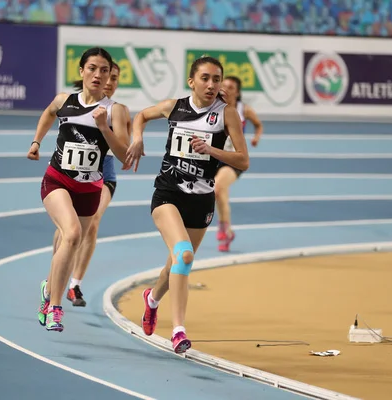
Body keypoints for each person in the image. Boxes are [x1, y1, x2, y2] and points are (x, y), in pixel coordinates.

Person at [124, 56, 250, 353]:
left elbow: (243, 159)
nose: (211, 84)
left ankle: (152, 299)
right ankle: (179, 331)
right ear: (191, 81)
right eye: (205, 78)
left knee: (175, 264)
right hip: (168, 193)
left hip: (201, 200)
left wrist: (212, 150)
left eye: (216, 79)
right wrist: (137, 138)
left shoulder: (226, 114)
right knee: (183, 255)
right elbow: (140, 116)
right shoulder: (173, 107)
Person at [27, 47, 130, 332]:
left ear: (110, 75)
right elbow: (49, 113)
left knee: (71, 244)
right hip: (57, 180)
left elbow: (123, 155)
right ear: (82, 71)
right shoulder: (65, 100)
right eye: (93, 68)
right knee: (71, 234)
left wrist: (104, 128)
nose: (98, 75)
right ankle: (54, 307)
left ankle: (49, 288)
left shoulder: (116, 111)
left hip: (90, 189)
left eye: (104, 70)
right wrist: (36, 141)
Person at [59, 62, 131, 307]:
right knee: (67, 229)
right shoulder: (74, 104)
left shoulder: (118, 111)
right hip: (70, 174)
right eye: (105, 75)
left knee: (92, 223)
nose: (109, 81)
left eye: (114, 77)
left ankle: (74, 284)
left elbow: (125, 147)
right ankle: (56, 273)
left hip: (104, 173)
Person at [214, 76, 263, 252]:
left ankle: (222, 228)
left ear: (238, 91)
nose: (226, 89)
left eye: (231, 87)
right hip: (215, 158)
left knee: (217, 187)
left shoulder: (245, 110)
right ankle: (227, 231)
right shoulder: (214, 107)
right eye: (224, 86)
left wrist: (256, 137)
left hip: (234, 159)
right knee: (221, 195)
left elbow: (258, 125)